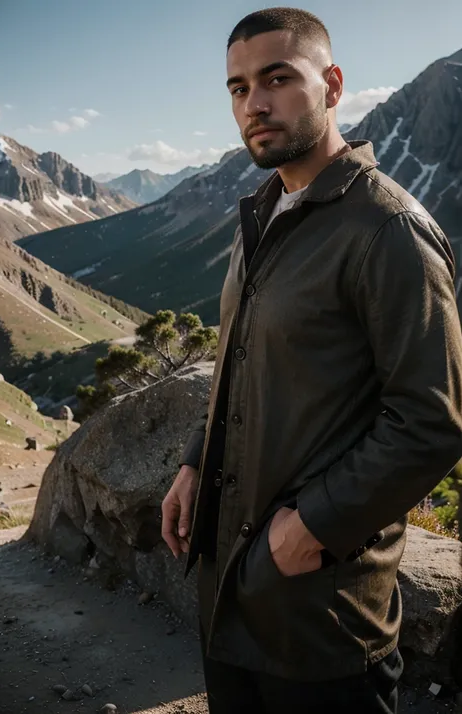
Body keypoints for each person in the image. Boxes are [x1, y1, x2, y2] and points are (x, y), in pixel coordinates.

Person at [161, 7, 462, 713]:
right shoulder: (265, 211)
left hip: (322, 626)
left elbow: (432, 422)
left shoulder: (387, 228)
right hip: (232, 607)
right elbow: (246, 359)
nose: (253, 104)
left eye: (276, 79)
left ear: (331, 83)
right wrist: (196, 460)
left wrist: (312, 527)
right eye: (237, 88)